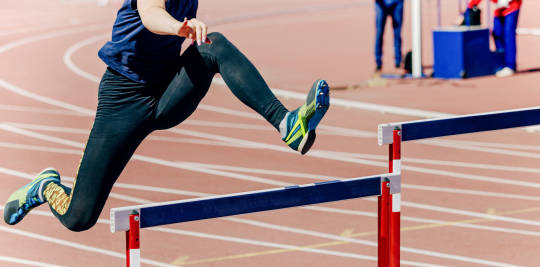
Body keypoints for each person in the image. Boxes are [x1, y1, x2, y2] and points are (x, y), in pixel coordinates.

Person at [3, 0, 330, 231]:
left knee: (214, 45)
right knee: (79, 218)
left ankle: (288, 124)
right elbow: (150, 13)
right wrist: (181, 28)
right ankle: (45, 186)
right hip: (123, 99)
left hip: (167, 92)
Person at [464, 0, 521, 77]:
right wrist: (469, 8)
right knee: (497, 33)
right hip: (499, 9)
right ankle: (501, 62)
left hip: (512, 6)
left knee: (509, 34)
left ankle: (510, 65)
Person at [374, 0, 405, 72]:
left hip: (397, 3)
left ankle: (398, 62)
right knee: (379, 34)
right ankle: (378, 62)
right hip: (381, 4)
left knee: (397, 34)